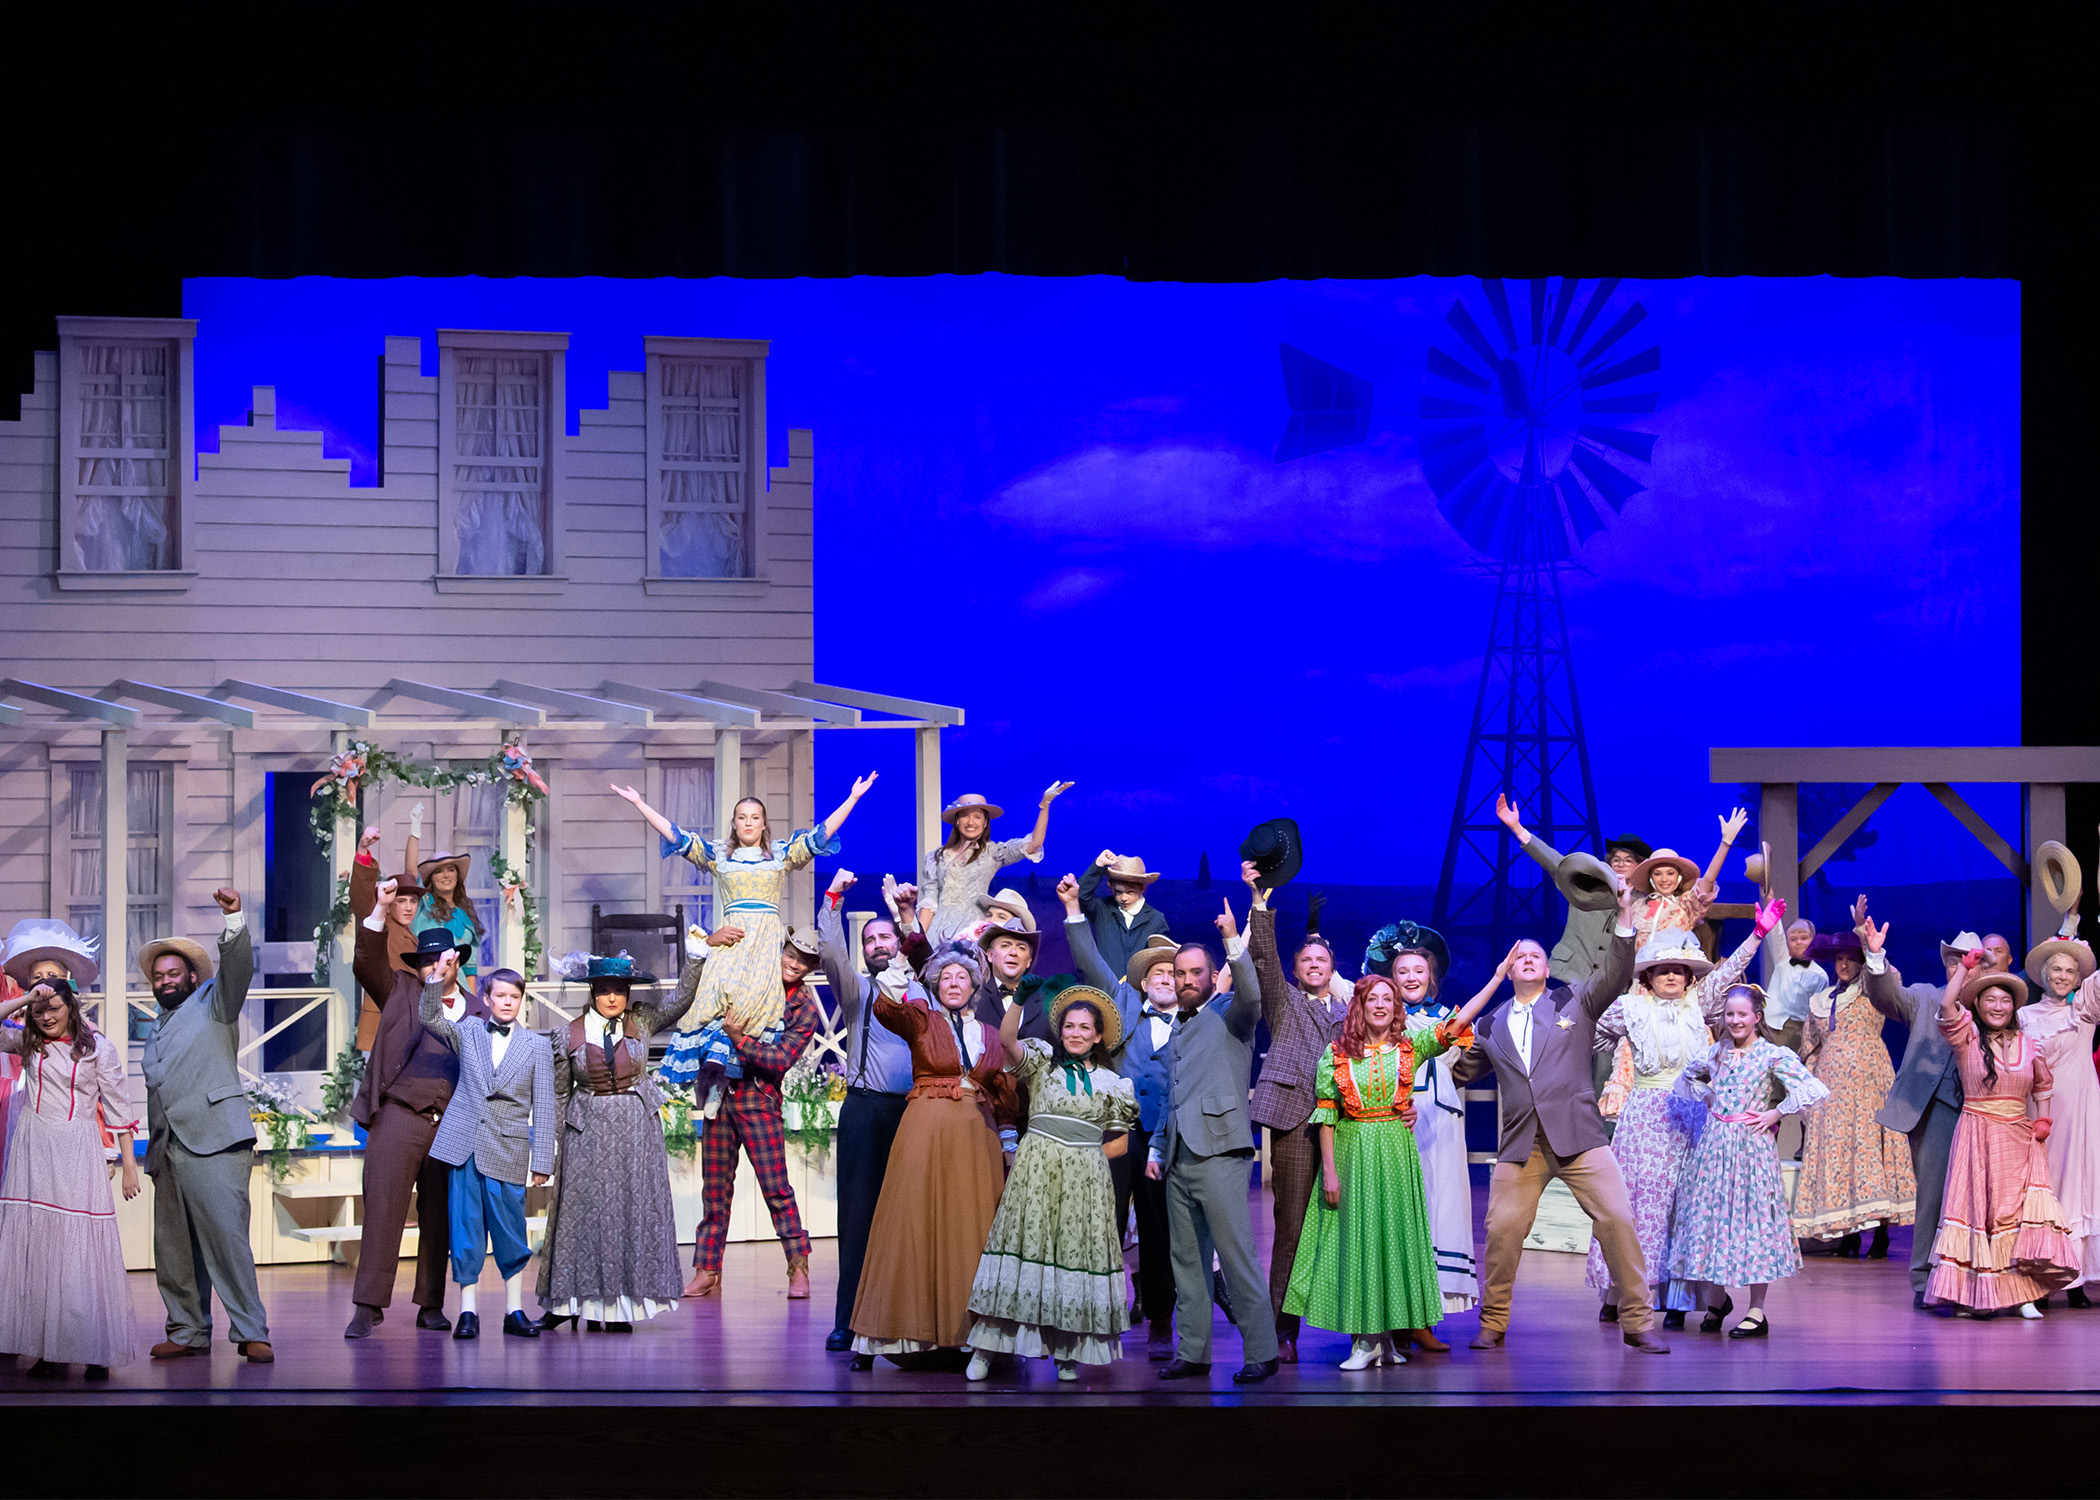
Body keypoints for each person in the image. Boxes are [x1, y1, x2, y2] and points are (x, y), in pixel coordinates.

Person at [1448, 881, 1666, 1353]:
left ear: (1547, 968)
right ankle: (1493, 1321)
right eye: (1518, 956)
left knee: (1617, 1219)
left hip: (1580, 1136)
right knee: (1502, 1231)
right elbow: (1458, 1072)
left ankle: (1638, 1321)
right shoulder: (1490, 1024)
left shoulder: (1574, 1001)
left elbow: (1616, 971)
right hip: (1523, 1144)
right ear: (1508, 970)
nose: (1527, 959)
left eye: (1535, 955)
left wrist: (1625, 916)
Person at [612, 773, 876, 1113]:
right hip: (731, 939)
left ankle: (725, 1083)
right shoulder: (720, 854)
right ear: (734, 824)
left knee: (750, 1008)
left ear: (764, 824)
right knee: (716, 1000)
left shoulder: (779, 854)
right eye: (742, 818)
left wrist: (852, 798)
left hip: (765, 941)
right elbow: (677, 835)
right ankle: (707, 1081)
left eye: (755, 817)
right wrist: (639, 803)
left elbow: (819, 835)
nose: (748, 822)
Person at [1861, 902, 2075, 1308]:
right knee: (1937, 1196)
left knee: (1996, 1201)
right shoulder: (1927, 998)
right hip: (1939, 1109)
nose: (1965, 967)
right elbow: (1886, 995)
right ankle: (1927, 1279)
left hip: (1992, 1116)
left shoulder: (1996, 1007)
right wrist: (1874, 956)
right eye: (1957, 960)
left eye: (1973, 961)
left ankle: (1997, 1281)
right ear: (1949, 965)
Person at [1283, 965, 1499, 1369]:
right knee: (1360, 1242)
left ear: (1395, 1007)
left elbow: (1459, 1022)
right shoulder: (1337, 1055)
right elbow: (1327, 1115)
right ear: (1359, 1007)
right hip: (1354, 1153)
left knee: (1393, 1242)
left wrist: (1496, 976)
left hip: (1397, 1156)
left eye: (1387, 999)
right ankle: (1364, 1339)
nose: (1380, 1005)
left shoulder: (1408, 1048)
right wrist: (1329, 1171)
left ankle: (1386, 1338)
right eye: (1372, 999)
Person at [1588, 905, 1780, 1330]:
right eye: (1662, 970)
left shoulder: (1700, 1005)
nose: (1671, 976)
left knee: (1687, 1205)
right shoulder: (1630, 1008)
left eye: (1678, 969)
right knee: (1640, 1204)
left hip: (1693, 1115)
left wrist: (1758, 934)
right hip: (1645, 1115)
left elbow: (1731, 973)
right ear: (1648, 977)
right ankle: (1625, 1291)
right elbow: (1592, 1025)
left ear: (1690, 976)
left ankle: (1678, 1299)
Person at [848, 941, 1019, 1370]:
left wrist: (1009, 1142)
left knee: (972, 1228)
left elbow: (1002, 1092)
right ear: (936, 986)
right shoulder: (921, 1020)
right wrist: (903, 958)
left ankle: (970, 1332)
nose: (955, 983)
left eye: (962, 976)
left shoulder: (991, 1035)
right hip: (924, 1128)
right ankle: (901, 1329)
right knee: (913, 1220)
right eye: (946, 977)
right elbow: (885, 1007)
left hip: (975, 1136)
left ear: (975, 984)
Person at [964, 981, 1139, 1382]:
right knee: (1022, 1250)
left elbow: (1122, 1142)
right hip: (1037, 1171)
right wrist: (1021, 1000)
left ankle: (1066, 1351)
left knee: (1071, 1258)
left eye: (1084, 1028)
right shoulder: (1044, 1063)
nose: (1075, 1033)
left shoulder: (1114, 1085)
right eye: (1070, 1026)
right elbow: (1007, 1041)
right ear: (1060, 1031)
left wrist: (1086, 1157)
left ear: (1097, 1037)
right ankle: (987, 1348)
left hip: (1085, 1181)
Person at [345, 885, 488, 1340]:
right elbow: (366, 962)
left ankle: (430, 1302)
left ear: (456, 961)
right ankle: (368, 1306)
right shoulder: (402, 989)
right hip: (400, 1114)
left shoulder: (480, 1010)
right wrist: (380, 910)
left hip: (450, 1121)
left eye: (441, 960)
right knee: (383, 1207)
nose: (433, 967)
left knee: (439, 1212)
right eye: (426, 960)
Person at [138, 888, 272, 1362]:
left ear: (193, 977)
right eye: (159, 976)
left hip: (214, 1140)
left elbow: (237, 969)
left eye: (174, 973)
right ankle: (186, 1331)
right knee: (174, 1250)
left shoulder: (215, 1003)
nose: (166, 980)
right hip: (168, 1148)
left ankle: (251, 1330)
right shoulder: (156, 1026)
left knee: (226, 1239)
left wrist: (232, 919)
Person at [1149, 903, 1277, 1385]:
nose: (1185, 979)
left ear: (1209, 976)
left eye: (1195, 972)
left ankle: (1263, 1351)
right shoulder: (1178, 1026)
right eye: (1179, 973)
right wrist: (1160, 1149)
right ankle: (1194, 1351)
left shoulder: (1230, 1015)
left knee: (1237, 1256)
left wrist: (1231, 940)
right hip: (1181, 1155)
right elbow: (1173, 1095)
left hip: (1220, 1153)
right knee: (1188, 1261)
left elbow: (1252, 995)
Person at [537, 952, 695, 1331]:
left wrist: (697, 959)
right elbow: (560, 1094)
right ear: (592, 992)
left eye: (619, 991)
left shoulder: (640, 1021)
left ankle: (621, 1307)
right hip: (587, 1131)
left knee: (629, 1214)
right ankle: (576, 1305)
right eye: (604, 990)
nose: (612, 998)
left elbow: (681, 1001)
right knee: (584, 1219)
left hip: (635, 1131)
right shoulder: (569, 1034)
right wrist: (557, 1144)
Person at [0, 970, 144, 1379]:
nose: (47, 1017)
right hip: (34, 1146)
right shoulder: (28, 1041)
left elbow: (119, 1109)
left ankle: (94, 1348)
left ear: (72, 1008)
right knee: (43, 1248)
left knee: (81, 1250)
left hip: (77, 1148)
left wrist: (129, 1166)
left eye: (54, 1008)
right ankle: (52, 1349)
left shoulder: (98, 1047)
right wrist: (26, 999)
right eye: (40, 1011)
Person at [1668, 984, 1831, 1338]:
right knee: (1712, 1222)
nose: (1735, 1020)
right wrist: (1708, 1094)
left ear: (1757, 1018)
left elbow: (1812, 1089)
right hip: (1714, 1147)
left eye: (1742, 1014)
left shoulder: (1772, 1055)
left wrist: (1775, 1113)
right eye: (1730, 1014)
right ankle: (1716, 1301)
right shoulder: (1718, 1053)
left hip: (1751, 1149)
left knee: (1753, 1225)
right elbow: (1688, 1077)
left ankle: (1757, 1311)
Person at [1924, 954, 2080, 1315]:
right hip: (1977, 1133)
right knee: (1979, 1212)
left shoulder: (2029, 1044)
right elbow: (1948, 1004)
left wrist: (2043, 1121)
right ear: (1978, 1004)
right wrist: (1964, 967)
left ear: (2014, 1007)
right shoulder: (1967, 1037)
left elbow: (2043, 1085)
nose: (1998, 1006)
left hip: (2018, 1138)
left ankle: (2022, 1294)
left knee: (2016, 1215)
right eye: (1990, 1000)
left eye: (2005, 1000)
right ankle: (1973, 1294)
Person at [1061, 893, 1182, 1357]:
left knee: (1158, 1228)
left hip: (1167, 1137)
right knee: (1103, 1221)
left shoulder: (1193, 1018)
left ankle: (1159, 1317)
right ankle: (1095, 1314)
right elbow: (1090, 961)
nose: (1165, 980)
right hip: (1118, 1130)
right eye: (1157, 974)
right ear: (1143, 982)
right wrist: (1074, 909)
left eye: (1172, 974)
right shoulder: (1123, 1001)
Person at [1244, 860, 1352, 1364]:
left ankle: (1360, 1326)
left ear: (1333, 969)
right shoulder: (1284, 1003)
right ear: (1296, 969)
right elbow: (1262, 959)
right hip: (1293, 1122)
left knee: (1346, 1226)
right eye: (1306, 961)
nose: (1314, 966)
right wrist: (1260, 904)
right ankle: (1282, 1330)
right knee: (1289, 1228)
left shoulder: (1350, 1015)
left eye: (1321, 961)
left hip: (1347, 1128)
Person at [417, 961, 555, 1340]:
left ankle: (514, 1310)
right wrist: (437, 978)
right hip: (465, 1145)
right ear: (487, 999)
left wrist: (542, 1159)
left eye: (514, 996)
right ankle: (467, 1312)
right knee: (465, 1229)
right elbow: (431, 1018)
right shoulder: (471, 1031)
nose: (507, 1002)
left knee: (511, 1231)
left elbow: (544, 1105)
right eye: (500, 996)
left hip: (508, 1148)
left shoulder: (537, 1047)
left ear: (521, 1001)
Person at [685, 928, 824, 1301]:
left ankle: (798, 1267)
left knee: (777, 1189)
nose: (793, 963)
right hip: (719, 1090)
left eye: (803, 960)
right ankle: (707, 1269)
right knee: (714, 1191)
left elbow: (779, 1059)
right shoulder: (750, 977)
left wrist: (738, 1040)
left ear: (811, 968)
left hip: (757, 1098)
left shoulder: (804, 1008)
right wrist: (710, 941)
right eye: (790, 954)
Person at [817, 870, 920, 1351]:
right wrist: (833, 899)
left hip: (915, 1114)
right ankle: (849, 1319)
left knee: (912, 1218)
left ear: (898, 944)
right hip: (864, 1112)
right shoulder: (856, 990)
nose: (879, 944)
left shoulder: (923, 992)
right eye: (870, 939)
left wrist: (907, 914)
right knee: (857, 1219)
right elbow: (830, 951)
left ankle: (910, 1317)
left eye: (886, 937)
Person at [1791, 923, 1914, 1260]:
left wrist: (1865, 935)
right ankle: (1846, 1232)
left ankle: (1879, 1232)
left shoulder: (1871, 991)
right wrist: (1809, 1086)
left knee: (1869, 1150)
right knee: (1839, 1154)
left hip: (1870, 1080)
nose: (1844, 965)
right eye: (1839, 959)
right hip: (1832, 1087)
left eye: (1850, 959)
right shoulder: (1819, 1000)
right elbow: (1810, 1048)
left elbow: (1892, 977)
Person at [1375, 924, 1477, 1326]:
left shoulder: (1451, 1020)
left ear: (1430, 976)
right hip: (1394, 1118)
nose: (1411, 977)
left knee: (1440, 1204)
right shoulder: (1379, 1019)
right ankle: (1395, 1309)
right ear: (1392, 978)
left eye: (1419, 970)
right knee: (1398, 1207)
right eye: (1402, 971)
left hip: (1440, 1120)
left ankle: (1426, 1316)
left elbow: (1467, 1064)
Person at [2019, 921, 2100, 1305]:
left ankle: (2077, 1279)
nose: (2063, 976)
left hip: (2081, 1113)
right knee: (2043, 1191)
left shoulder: (2082, 1012)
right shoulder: (2024, 1016)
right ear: (2044, 975)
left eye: (2071, 971)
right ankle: (2042, 1276)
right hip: (2040, 1114)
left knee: (2078, 1186)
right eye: (2057, 970)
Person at [1495, 794, 1650, 984]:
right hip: (1568, 977)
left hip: (1612, 986)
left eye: (1628, 861)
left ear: (1639, 866)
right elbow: (1553, 861)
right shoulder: (1585, 883)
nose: (1620, 864)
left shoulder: (1645, 903)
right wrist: (1516, 827)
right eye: (1616, 860)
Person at [916, 785, 1073, 946]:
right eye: (965, 816)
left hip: (972, 929)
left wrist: (1044, 806)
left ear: (985, 823)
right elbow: (929, 903)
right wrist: (918, 941)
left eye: (977, 817)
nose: (971, 822)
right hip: (938, 931)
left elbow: (1034, 844)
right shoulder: (935, 857)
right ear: (957, 821)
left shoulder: (992, 852)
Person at [349, 827, 428, 1049]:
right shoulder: (381, 924)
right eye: (401, 901)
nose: (408, 907)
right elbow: (361, 896)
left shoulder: (411, 934)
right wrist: (363, 850)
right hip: (381, 1023)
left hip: (408, 1023)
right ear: (389, 904)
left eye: (413, 901)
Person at [405, 803, 487, 976]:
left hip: (459, 985)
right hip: (428, 980)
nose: (446, 875)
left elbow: (470, 966)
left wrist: (471, 1000)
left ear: (457, 876)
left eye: (451, 870)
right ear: (431, 879)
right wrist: (415, 831)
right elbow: (411, 872)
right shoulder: (425, 903)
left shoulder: (464, 913)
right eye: (439, 871)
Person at [1078, 850, 1172, 976]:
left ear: (1142, 889)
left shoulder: (1155, 919)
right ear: (1111, 888)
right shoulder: (1102, 909)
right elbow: (1081, 895)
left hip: (1138, 991)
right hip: (1104, 988)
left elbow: (1160, 958)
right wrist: (1099, 864)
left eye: (1130, 892)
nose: (1123, 898)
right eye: (1118, 892)